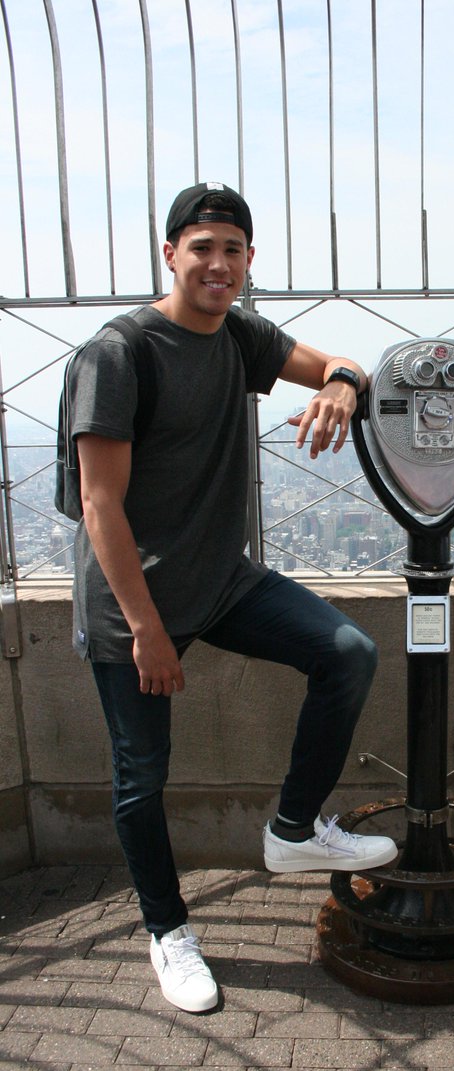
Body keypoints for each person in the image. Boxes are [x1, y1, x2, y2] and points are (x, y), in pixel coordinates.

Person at [70, 182, 397, 1014]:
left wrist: (342, 388)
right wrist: (146, 632)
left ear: (249, 261)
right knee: (142, 778)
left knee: (346, 652)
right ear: (170, 253)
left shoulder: (240, 336)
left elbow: (336, 363)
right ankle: (167, 930)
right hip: (132, 601)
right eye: (202, 247)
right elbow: (99, 506)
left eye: (233, 250)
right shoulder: (120, 353)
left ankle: (292, 831)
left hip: (221, 580)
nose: (218, 264)